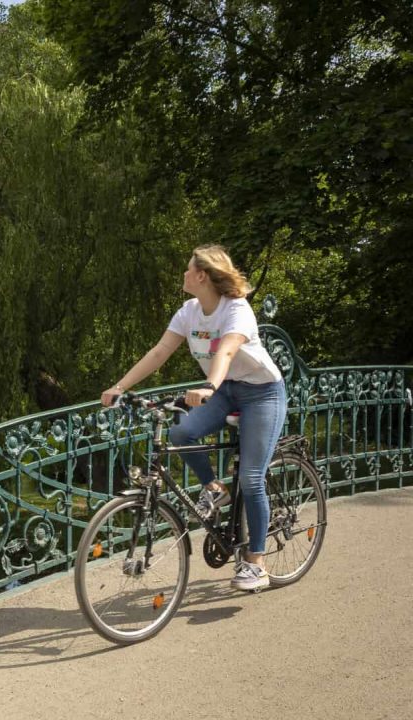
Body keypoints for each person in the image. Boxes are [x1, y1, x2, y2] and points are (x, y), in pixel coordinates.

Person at [101, 245, 286, 591]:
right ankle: (215, 488)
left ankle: (256, 564)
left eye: (188, 270)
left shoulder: (237, 310)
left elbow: (228, 350)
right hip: (227, 390)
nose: (184, 275)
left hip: (262, 392)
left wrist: (208, 386)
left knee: (250, 477)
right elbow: (160, 351)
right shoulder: (189, 312)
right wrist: (120, 386)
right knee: (180, 433)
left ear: (202, 275)